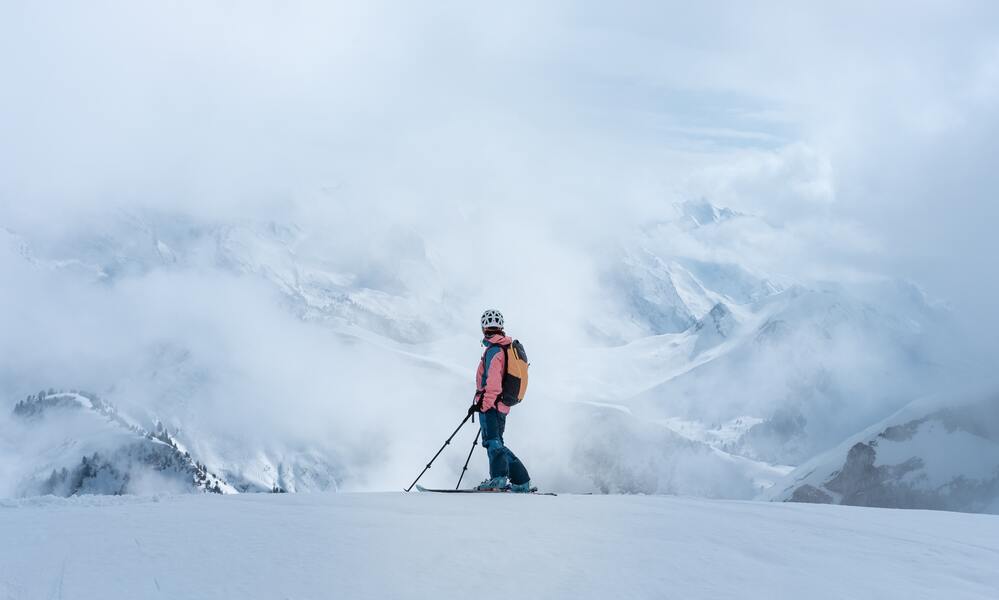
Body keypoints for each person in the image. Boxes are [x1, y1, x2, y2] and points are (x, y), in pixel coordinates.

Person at [468, 309, 532, 492]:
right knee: (496, 442)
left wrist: (484, 405)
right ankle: (521, 481)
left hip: (492, 405)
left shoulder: (494, 350)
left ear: (483, 328)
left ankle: (498, 479)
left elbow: (493, 384)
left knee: (493, 442)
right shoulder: (504, 347)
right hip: (502, 404)